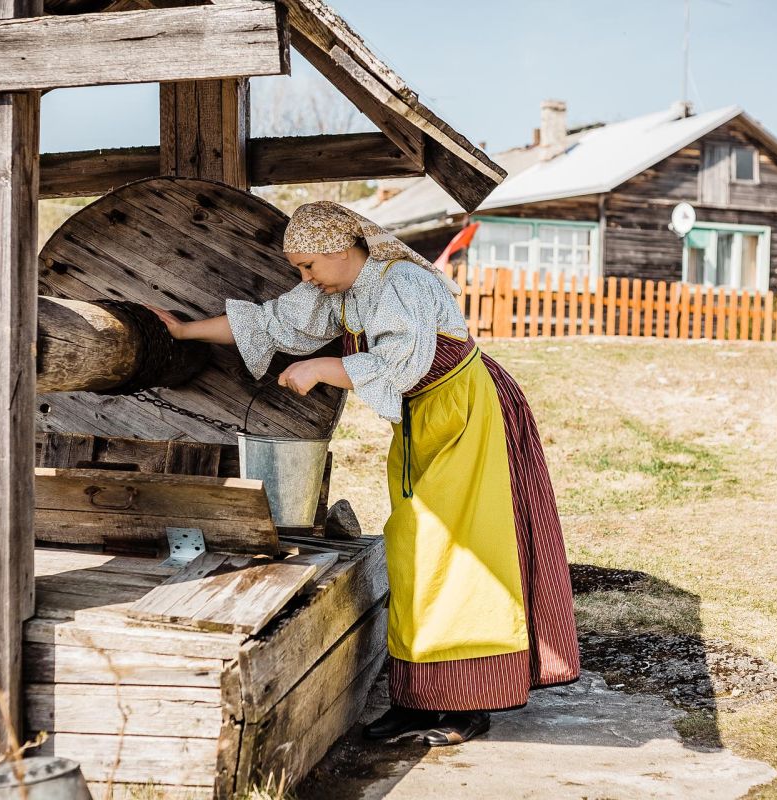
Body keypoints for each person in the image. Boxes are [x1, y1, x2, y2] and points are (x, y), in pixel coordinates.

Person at [148, 201, 579, 746]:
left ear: (339, 249)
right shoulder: (341, 293)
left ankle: (469, 703)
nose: (304, 278)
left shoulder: (401, 283)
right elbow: (269, 322)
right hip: (425, 420)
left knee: (459, 554)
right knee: (411, 547)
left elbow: (408, 359)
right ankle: (418, 699)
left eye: (308, 266)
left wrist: (325, 367)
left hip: (469, 415)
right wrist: (183, 332)